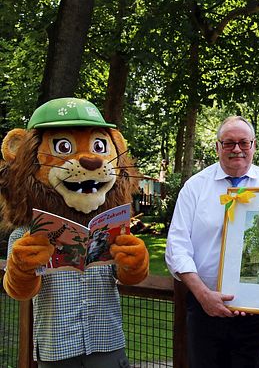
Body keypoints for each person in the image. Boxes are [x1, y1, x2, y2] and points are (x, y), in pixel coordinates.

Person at [1, 97, 149, 368]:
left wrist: (135, 263)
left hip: (107, 341)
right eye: (63, 147)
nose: (90, 160)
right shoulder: (26, 234)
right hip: (57, 346)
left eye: (99, 146)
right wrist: (21, 270)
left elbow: (125, 276)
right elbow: (19, 292)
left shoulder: (111, 226)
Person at [165, 116, 259, 368]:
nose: (236, 149)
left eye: (244, 142)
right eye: (229, 143)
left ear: (254, 145)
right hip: (204, 307)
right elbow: (176, 248)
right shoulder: (195, 187)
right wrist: (203, 295)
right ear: (217, 147)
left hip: (256, 311)